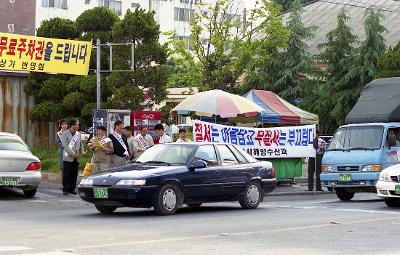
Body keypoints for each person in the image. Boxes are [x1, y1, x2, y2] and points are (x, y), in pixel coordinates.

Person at [61, 119, 84, 195]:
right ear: (72, 125)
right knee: (67, 173)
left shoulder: (78, 134)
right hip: (68, 156)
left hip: (76, 157)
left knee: (74, 173)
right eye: (77, 125)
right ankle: (66, 189)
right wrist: (71, 153)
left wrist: (82, 152)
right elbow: (64, 144)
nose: (78, 126)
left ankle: (72, 188)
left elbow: (81, 144)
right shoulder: (65, 133)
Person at [55, 119, 68, 185]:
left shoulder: (70, 132)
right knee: (62, 167)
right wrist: (65, 146)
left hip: (69, 152)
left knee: (68, 166)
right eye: (63, 124)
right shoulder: (58, 133)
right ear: (60, 125)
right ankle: (63, 183)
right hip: (62, 151)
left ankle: (68, 182)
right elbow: (58, 142)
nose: (64, 125)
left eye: (65, 124)